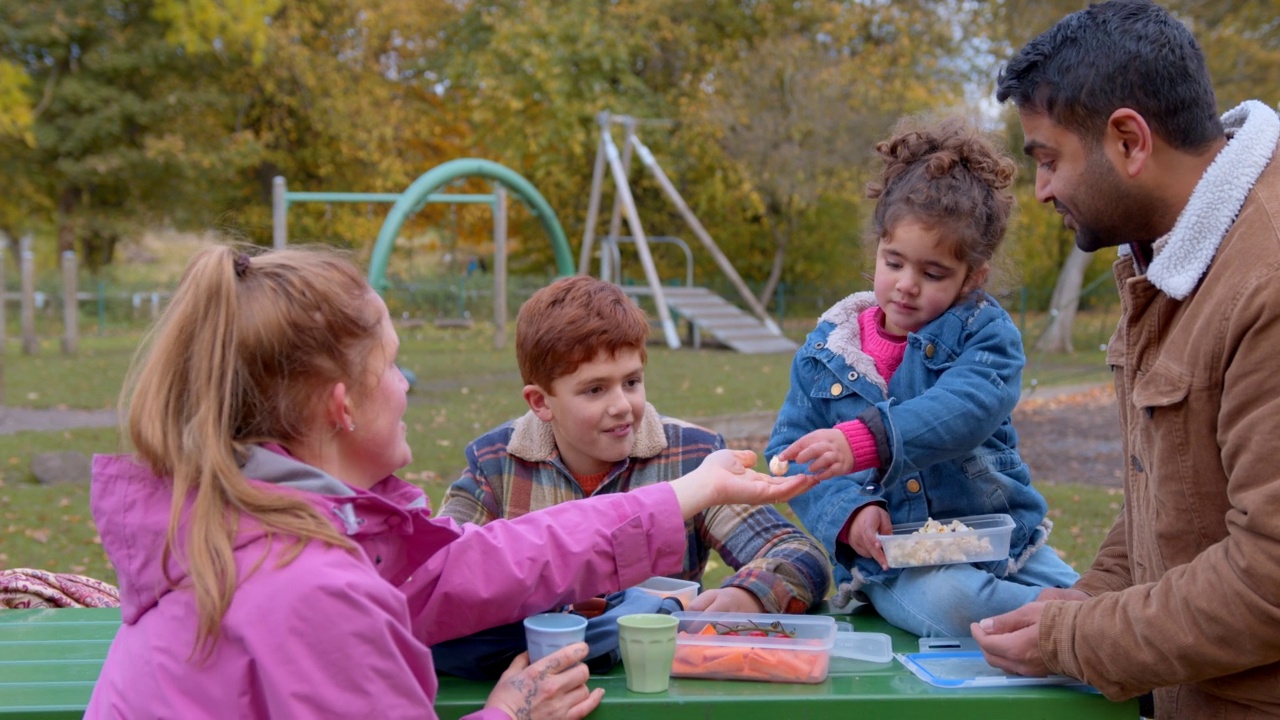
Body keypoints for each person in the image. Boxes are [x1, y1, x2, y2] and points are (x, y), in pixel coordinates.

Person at [85, 245, 817, 719]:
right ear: (343, 405)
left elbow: (480, 562)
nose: (405, 385)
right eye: (393, 366)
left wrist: (689, 491)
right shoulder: (310, 590)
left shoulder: (254, 520)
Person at [971, 1, 1280, 716]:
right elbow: (1178, 501)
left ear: (1129, 141)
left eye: (1049, 159)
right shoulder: (1177, 257)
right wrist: (1092, 594)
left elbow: (1269, 576)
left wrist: (1076, 637)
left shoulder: (1264, 280)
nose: (1042, 190)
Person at [765, 117, 1079, 639]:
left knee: (1099, 595)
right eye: (894, 262)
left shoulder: (986, 333)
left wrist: (869, 439)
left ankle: (1074, 623)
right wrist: (850, 512)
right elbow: (790, 452)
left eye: (933, 274)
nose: (907, 286)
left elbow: (967, 406)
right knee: (954, 599)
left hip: (1004, 544)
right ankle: (1057, 626)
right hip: (897, 563)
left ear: (972, 277)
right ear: (878, 249)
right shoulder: (826, 352)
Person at [434, 275, 830, 675]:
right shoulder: (495, 464)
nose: (622, 406)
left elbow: (800, 556)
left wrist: (750, 594)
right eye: (595, 390)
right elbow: (434, 581)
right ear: (541, 402)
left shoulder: (691, 457)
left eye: (631, 382)